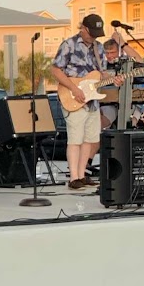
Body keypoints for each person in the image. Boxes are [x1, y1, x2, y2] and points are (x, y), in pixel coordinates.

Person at [51, 13, 109, 191]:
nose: (93, 38)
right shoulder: (69, 44)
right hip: (73, 96)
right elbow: (56, 70)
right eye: (91, 33)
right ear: (83, 28)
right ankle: (73, 177)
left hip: (92, 100)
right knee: (75, 139)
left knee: (89, 139)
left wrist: (113, 79)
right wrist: (74, 88)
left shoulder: (99, 48)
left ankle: (82, 175)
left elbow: (102, 74)